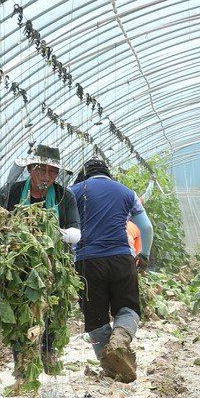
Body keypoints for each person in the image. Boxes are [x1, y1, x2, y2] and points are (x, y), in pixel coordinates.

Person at [0, 144, 82, 373]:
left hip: (54, 266)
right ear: (30, 168)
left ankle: (48, 353)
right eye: (41, 170)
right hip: (17, 265)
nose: (47, 176)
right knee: (20, 313)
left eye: (52, 171)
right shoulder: (10, 192)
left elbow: (76, 233)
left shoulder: (65, 196)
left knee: (52, 312)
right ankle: (22, 364)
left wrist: (53, 233)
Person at [69, 158, 154, 383]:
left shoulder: (73, 191)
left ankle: (110, 365)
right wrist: (144, 254)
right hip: (122, 259)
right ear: (108, 174)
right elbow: (146, 227)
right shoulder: (127, 192)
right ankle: (120, 339)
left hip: (87, 261)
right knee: (128, 307)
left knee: (95, 316)